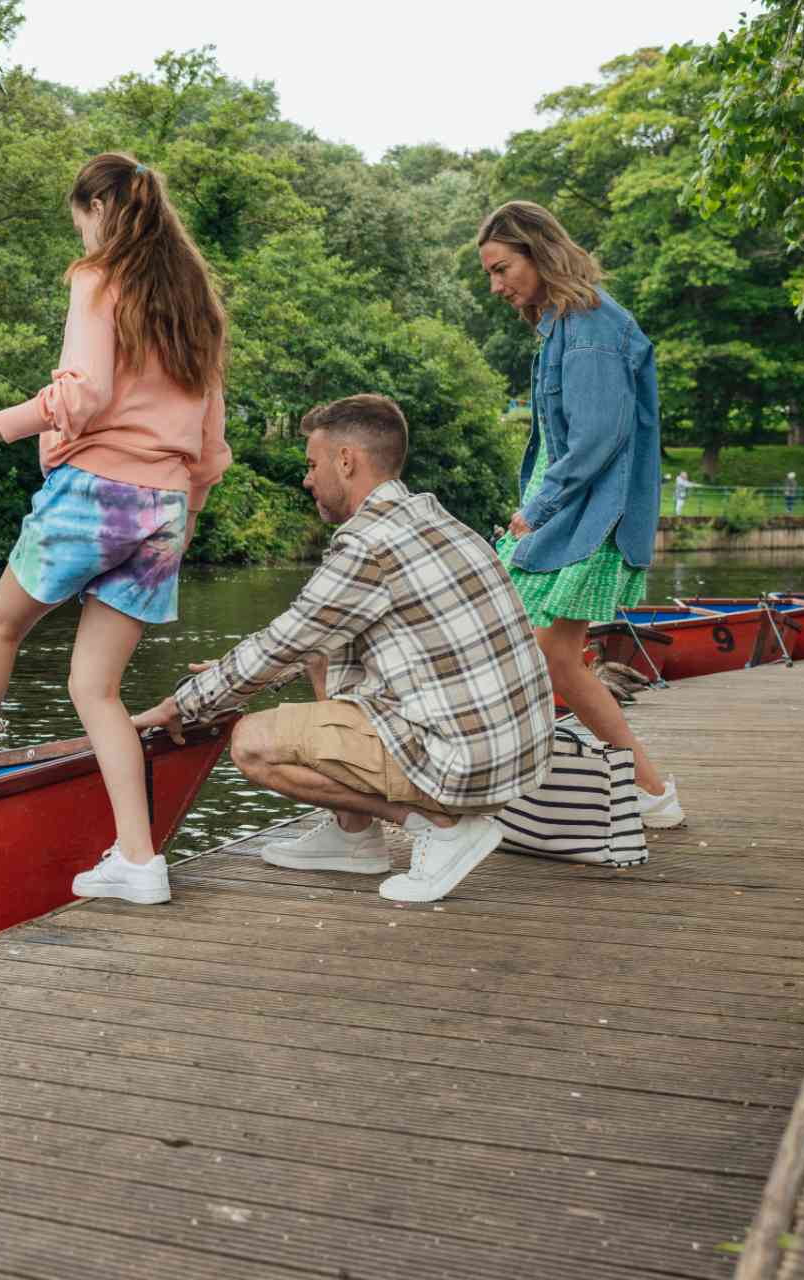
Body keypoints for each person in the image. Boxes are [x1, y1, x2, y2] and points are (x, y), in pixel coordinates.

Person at [0, 151, 232, 907]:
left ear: (98, 209)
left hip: (97, 493)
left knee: (1, 627)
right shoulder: (197, 303)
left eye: (81, 222)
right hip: (164, 509)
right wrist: (187, 518)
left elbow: (85, 391)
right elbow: (210, 443)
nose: (83, 237)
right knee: (96, 686)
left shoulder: (99, 277)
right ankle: (140, 859)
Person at [133, 395, 555, 903]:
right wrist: (244, 672)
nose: (306, 479)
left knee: (252, 742)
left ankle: (439, 828)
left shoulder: (369, 544)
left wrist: (183, 705)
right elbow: (311, 639)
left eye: (313, 465)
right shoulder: (432, 518)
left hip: (465, 763)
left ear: (347, 461)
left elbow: (283, 641)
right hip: (513, 752)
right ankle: (352, 835)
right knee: (321, 651)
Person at [478, 200, 682, 828]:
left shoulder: (591, 327)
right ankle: (602, 787)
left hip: (584, 513)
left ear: (539, 252)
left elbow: (597, 439)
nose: (496, 286)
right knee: (537, 651)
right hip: (568, 509)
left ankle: (646, 791)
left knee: (543, 653)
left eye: (502, 269)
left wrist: (538, 507)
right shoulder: (565, 324)